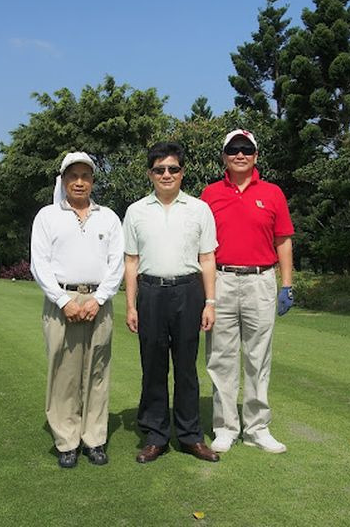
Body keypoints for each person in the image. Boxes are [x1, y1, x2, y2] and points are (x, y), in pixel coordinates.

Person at [122, 141, 220, 464]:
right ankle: (156, 436)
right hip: (150, 293)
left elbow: (207, 258)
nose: (166, 174)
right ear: (150, 173)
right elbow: (131, 261)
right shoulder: (136, 211)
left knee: (186, 367)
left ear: (182, 172)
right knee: (153, 366)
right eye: (159, 169)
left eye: (173, 169)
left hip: (189, 292)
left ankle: (191, 436)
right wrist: (131, 305)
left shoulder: (199, 209)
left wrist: (210, 302)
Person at [200, 129, 294, 454]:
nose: (240, 154)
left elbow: (283, 240)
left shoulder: (272, 193)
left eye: (246, 149)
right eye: (233, 149)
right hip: (221, 279)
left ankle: (257, 428)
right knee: (221, 357)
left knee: (258, 357)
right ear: (224, 156)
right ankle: (225, 427)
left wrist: (287, 284)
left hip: (260, 280)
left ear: (255, 155)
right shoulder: (210, 194)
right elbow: (201, 246)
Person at [30, 152, 125, 468]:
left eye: (85, 176)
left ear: (93, 180)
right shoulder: (47, 216)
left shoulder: (108, 217)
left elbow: (116, 263)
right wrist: (63, 301)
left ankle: (94, 439)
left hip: (99, 300)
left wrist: (99, 299)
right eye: (73, 176)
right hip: (62, 299)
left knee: (97, 371)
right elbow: (39, 264)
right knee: (64, 374)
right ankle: (67, 441)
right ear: (63, 180)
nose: (79, 182)